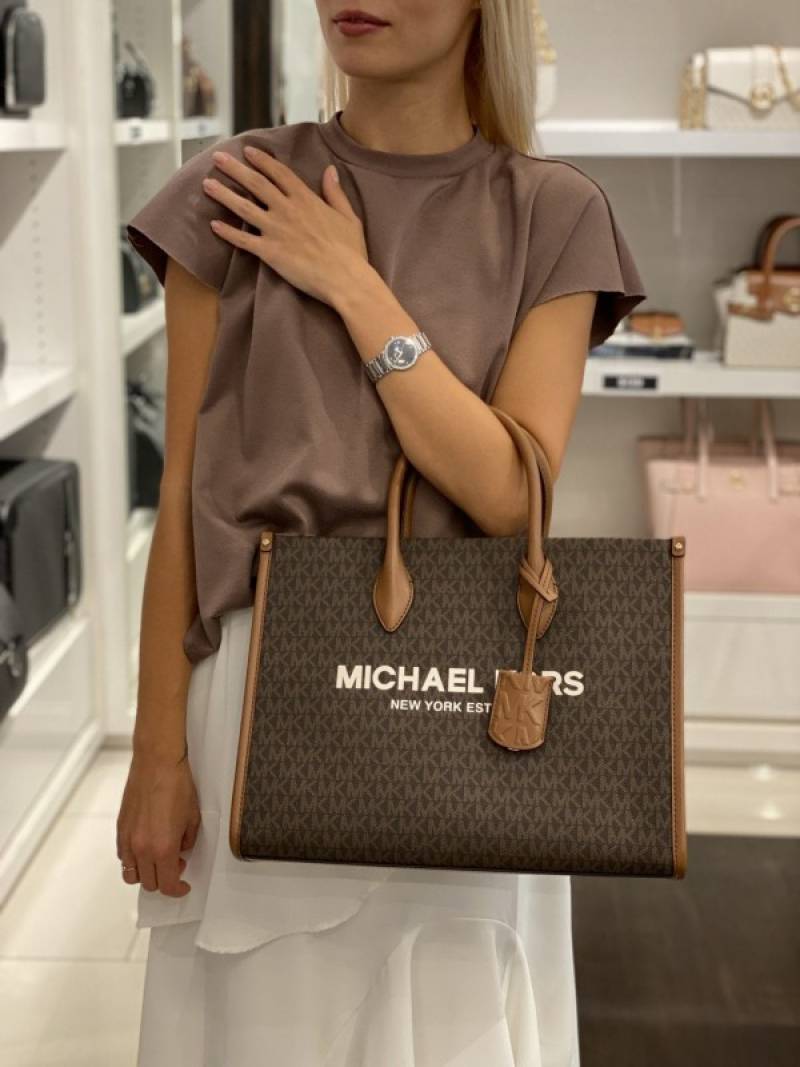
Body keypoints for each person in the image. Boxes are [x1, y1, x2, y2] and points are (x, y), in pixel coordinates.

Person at [117, 1, 646, 1063]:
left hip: (465, 704)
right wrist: (155, 749)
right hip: (260, 701)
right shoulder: (236, 190)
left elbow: (510, 494)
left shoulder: (551, 212)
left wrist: (353, 285)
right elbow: (183, 493)